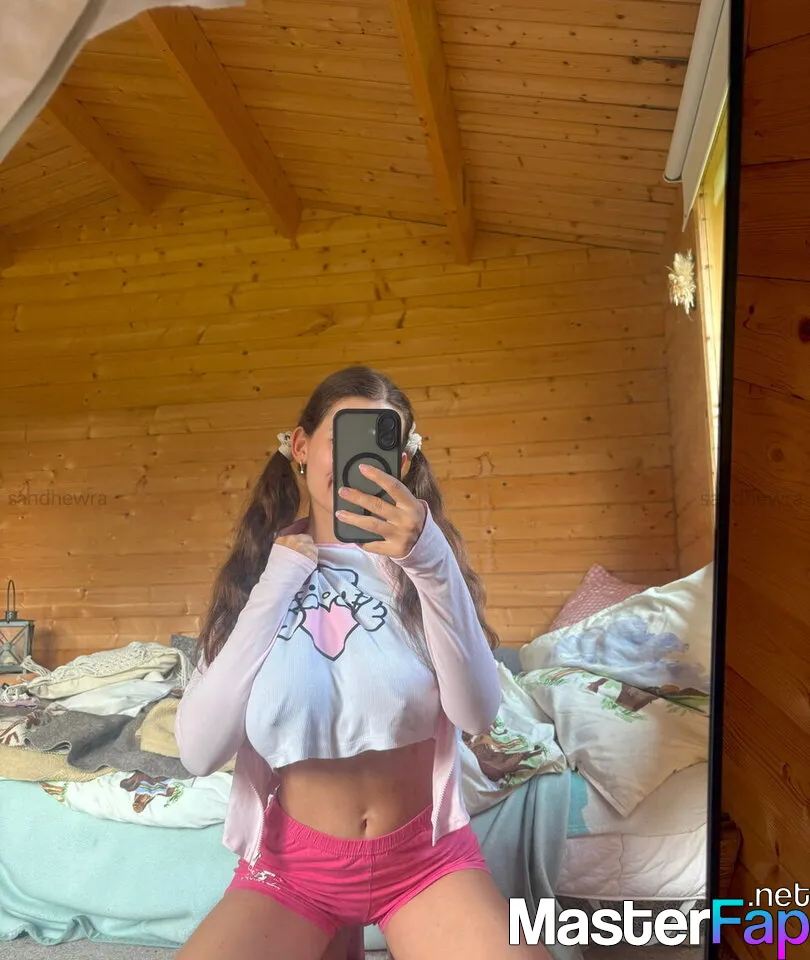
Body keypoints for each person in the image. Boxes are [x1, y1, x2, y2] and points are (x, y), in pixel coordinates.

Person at [174, 366, 547, 960]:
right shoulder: (258, 579)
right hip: (291, 871)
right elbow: (198, 752)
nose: (362, 461)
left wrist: (431, 559)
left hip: (424, 862)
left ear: (403, 462)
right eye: (344, 437)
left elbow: (477, 714)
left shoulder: (424, 569)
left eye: (382, 443)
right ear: (301, 446)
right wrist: (279, 577)